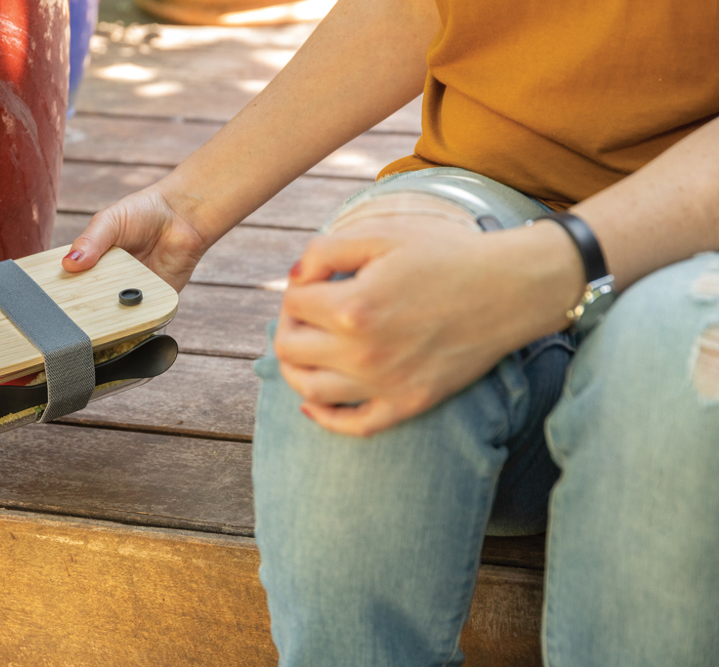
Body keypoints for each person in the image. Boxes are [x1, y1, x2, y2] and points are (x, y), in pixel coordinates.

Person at [63, 0, 719, 664]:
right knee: (349, 329)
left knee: (679, 365)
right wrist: (185, 209)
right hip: (494, 185)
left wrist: (548, 267)